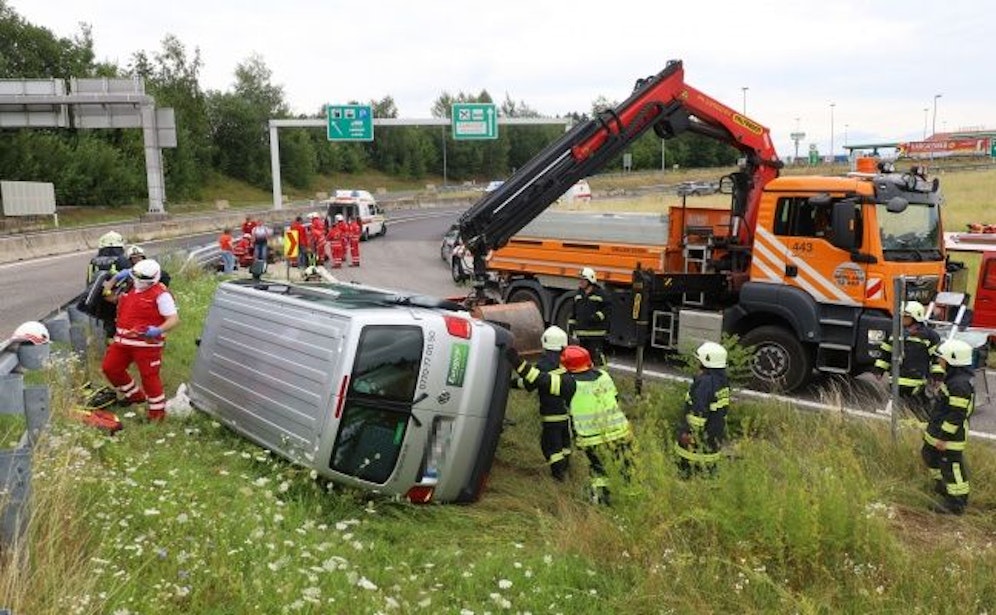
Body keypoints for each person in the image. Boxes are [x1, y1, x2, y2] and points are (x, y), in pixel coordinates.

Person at [506, 344, 632, 504]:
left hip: (594, 439)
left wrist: (515, 360)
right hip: (622, 433)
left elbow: (537, 378)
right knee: (626, 471)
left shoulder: (569, 383)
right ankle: (629, 502)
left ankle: (600, 503)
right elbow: (615, 398)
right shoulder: (604, 376)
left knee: (599, 472)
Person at [100, 259, 179, 422]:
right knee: (110, 368)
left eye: (144, 281)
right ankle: (135, 395)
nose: (140, 283)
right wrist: (115, 279)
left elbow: (173, 319)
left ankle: (157, 415)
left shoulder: (161, 294)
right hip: (122, 342)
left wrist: (158, 330)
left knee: (149, 377)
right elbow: (107, 296)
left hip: (147, 344)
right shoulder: (128, 286)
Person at [921, 338, 975, 515]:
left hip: (950, 437)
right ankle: (943, 486)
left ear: (953, 359)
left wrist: (944, 438)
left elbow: (956, 415)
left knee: (952, 467)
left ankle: (956, 503)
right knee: (929, 455)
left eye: (941, 358)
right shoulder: (954, 379)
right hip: (940, 432)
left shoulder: (959, 385)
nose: (939, 361)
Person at [511, 325, 572, 481]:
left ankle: (559, 477)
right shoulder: (567, 362)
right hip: (567, 416)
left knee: (551, 447)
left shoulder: (544, 364)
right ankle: (567, 469)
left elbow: (532, 382)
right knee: (565, 445)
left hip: (551, 416)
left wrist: (511, 382)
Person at [872, 301, 940, 421]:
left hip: (917, 381)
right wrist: (879, 369)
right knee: (895, 400)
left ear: (916, 317)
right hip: (897, 378)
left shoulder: (929, 336)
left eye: (906, 316)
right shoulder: (896, 333)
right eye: (901, 316)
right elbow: (886, 352)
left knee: (918, 410)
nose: (902, 319)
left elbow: (937, 358)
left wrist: (937, 375)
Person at [675, 341, 731, 478]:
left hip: (696, 441)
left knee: (690, 474)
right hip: (714, 436)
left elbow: (698, 413)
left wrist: (689, 433)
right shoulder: (722, 381)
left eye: (698, 360)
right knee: (709, 474)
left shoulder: (705, 383)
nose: (695, 364)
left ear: (706, 362)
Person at [569, 267, 611, 367]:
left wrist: (598, 316)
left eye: (583, 280)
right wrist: (571, 325)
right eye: (580, 279)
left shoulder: (600, 294)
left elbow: (608, 308)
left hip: (596, 333)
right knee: (584, 358)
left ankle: (602, 375)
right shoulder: (578, 295)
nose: (580, 282)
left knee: (597, 357)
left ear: (590, 280)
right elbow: (574, 312)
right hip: (582, 334)